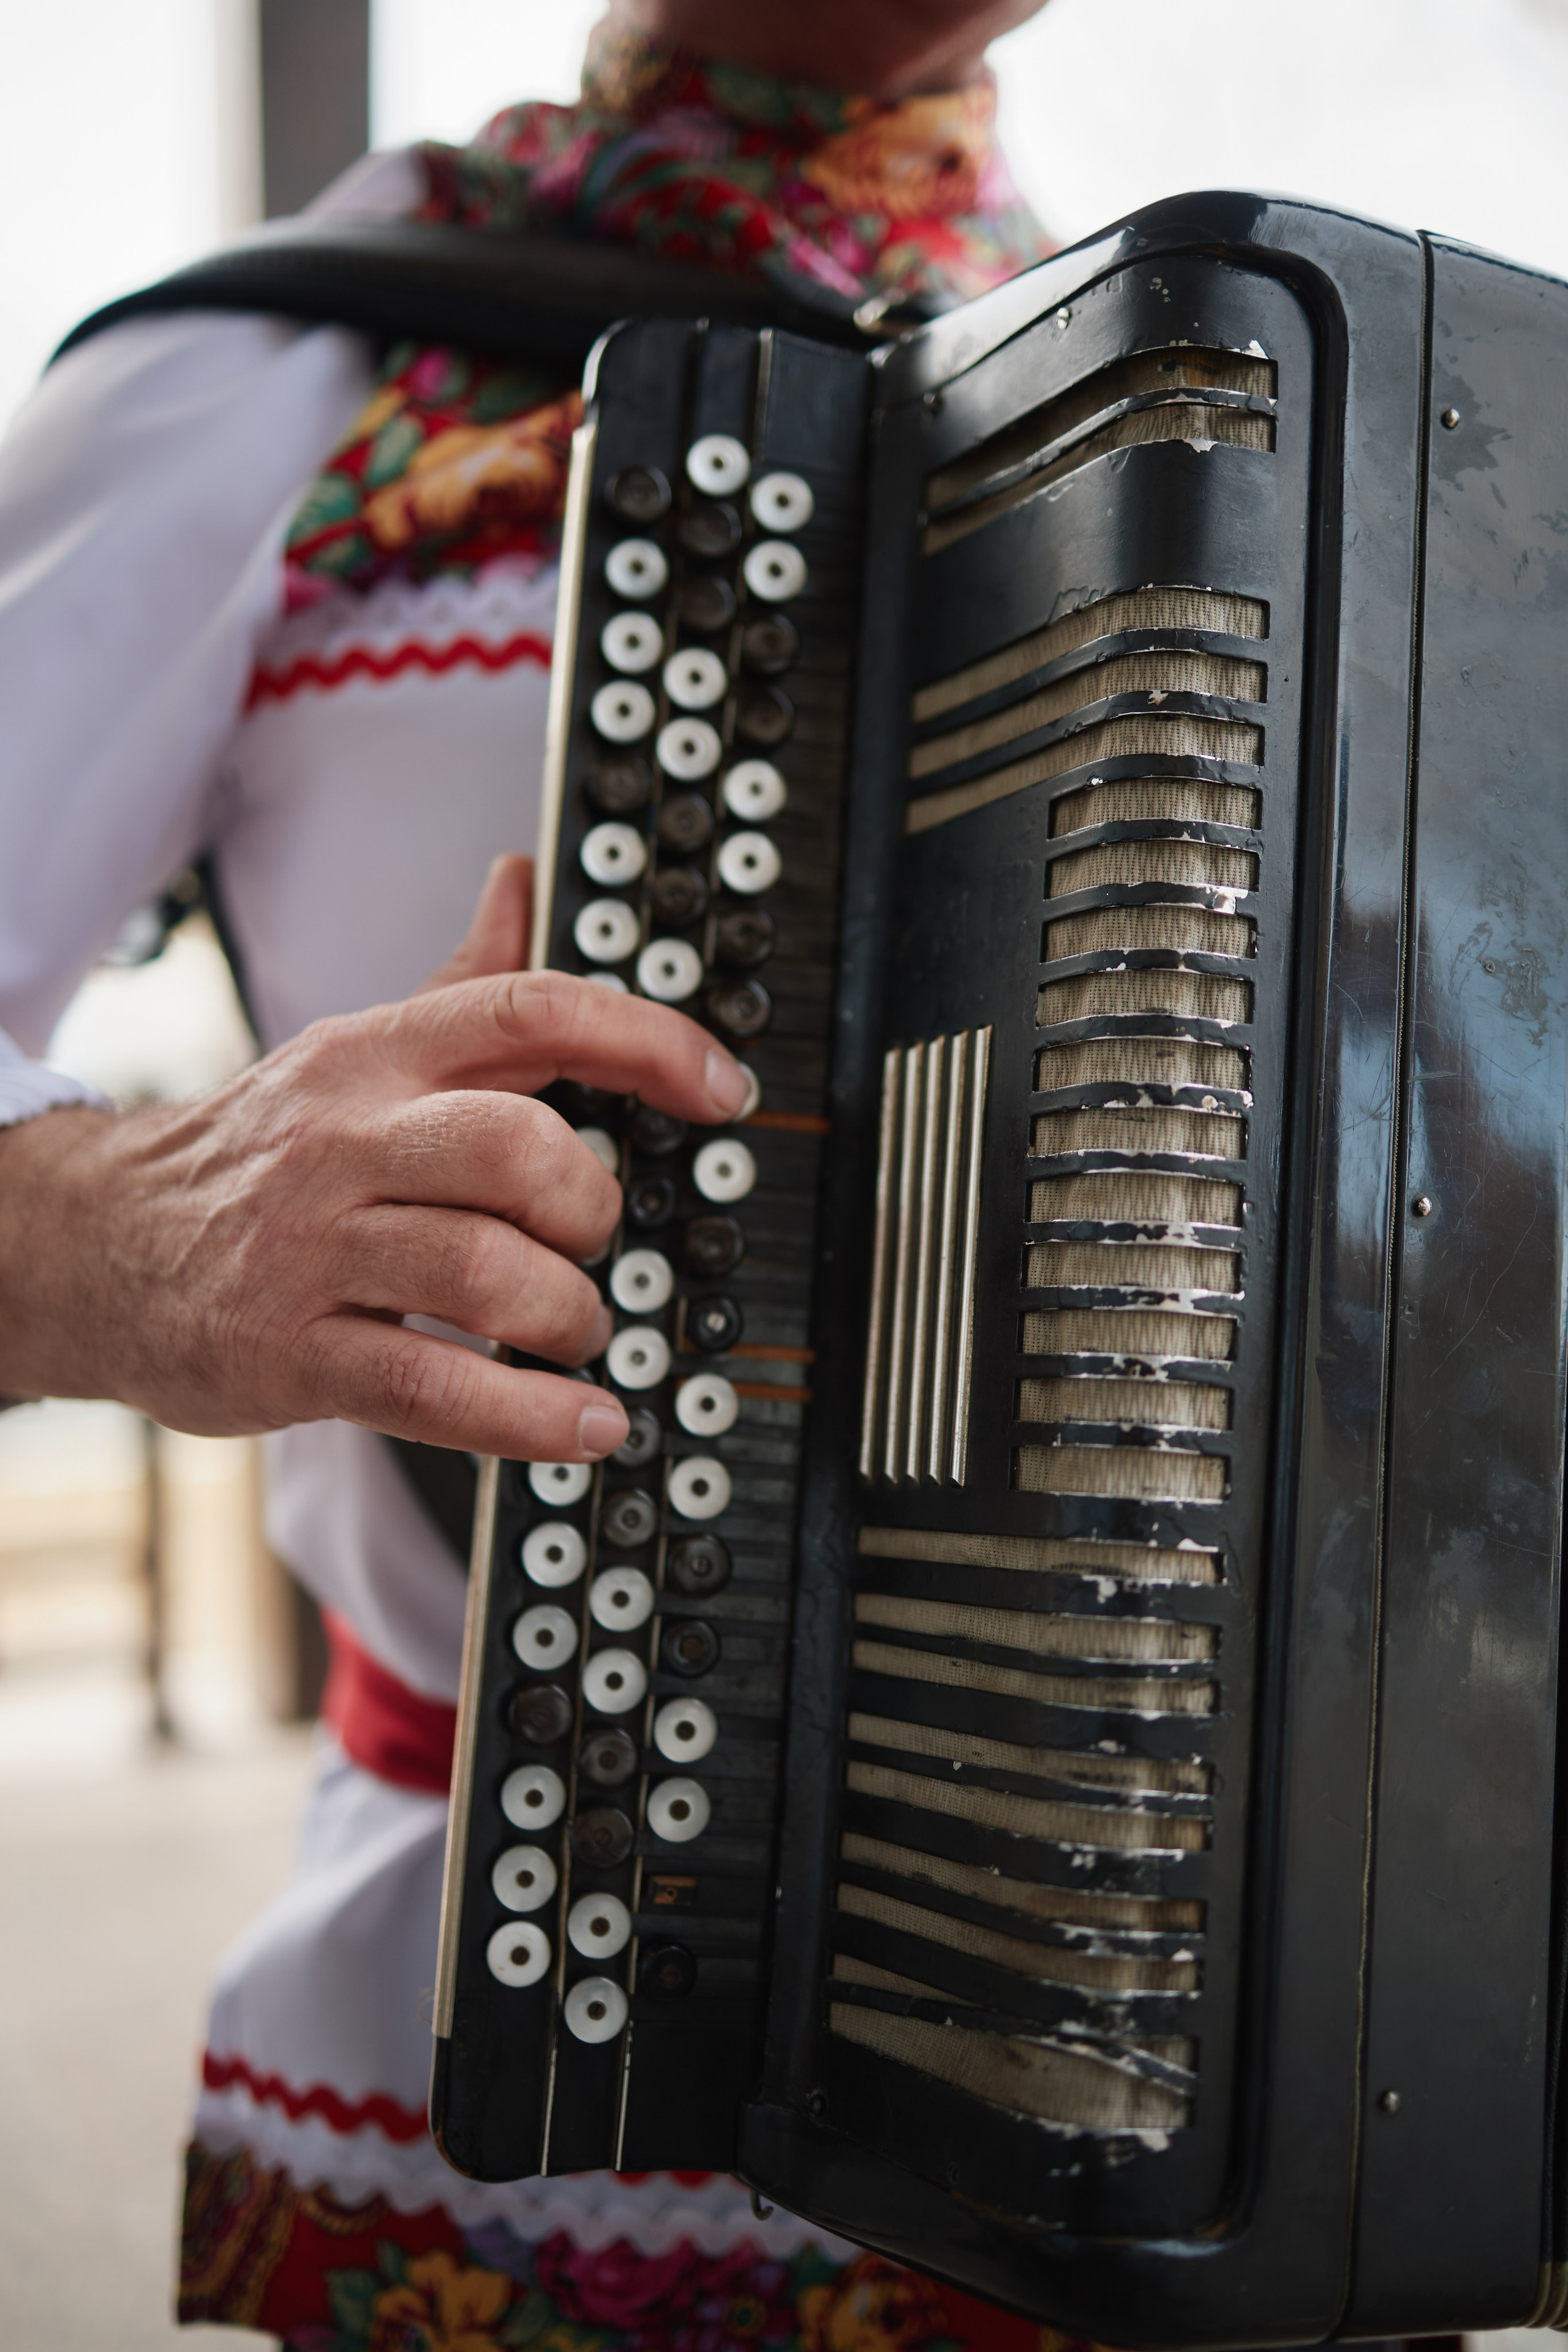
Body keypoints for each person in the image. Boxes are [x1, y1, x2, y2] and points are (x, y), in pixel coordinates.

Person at [0, 1, 1060, 2342]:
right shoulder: (276, 377)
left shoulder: (1220, 413)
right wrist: (122, 1238)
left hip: (1223, 2025)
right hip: (524, 2035)